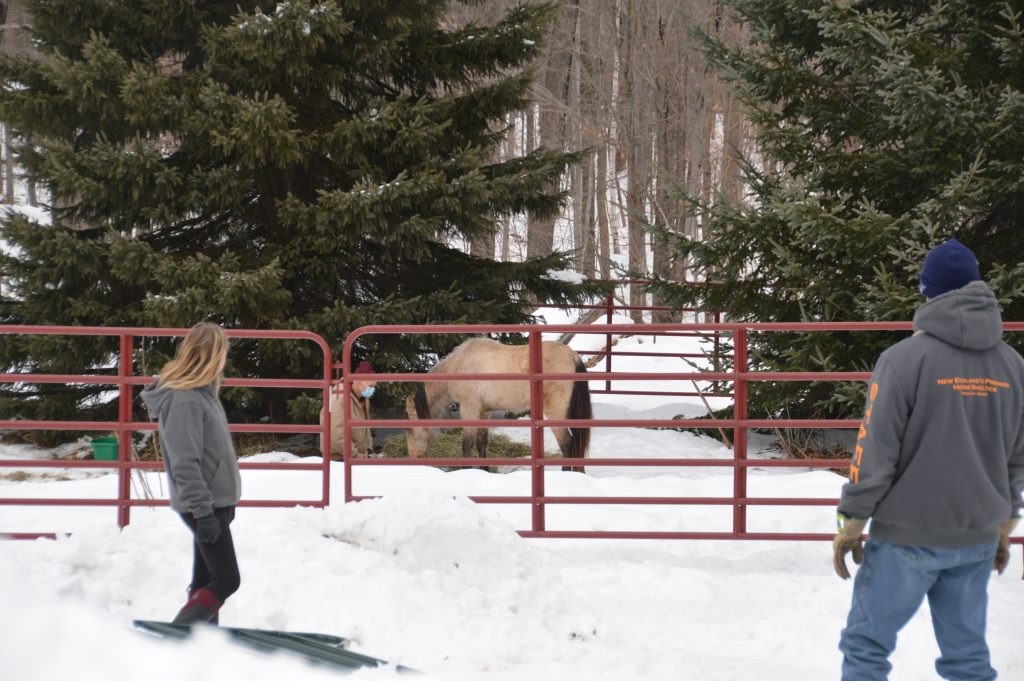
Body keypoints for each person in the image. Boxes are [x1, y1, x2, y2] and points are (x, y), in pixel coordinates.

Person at [833, 238, 1024, 681]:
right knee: (967, 658)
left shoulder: (903, 361)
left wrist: (852, 521)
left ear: (927, 293)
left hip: (907, 534)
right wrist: (1004, 523)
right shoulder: (1013, 366)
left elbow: (875, 449)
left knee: (866, 647)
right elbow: (1017, 456)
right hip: (977, 536)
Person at [141, 322, 241, 625]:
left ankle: (200, 643)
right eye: (223, 353)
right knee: (227, 579)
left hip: (214, 503)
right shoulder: (185, 400)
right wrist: (204, 512)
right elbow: (184, 462)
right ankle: (178, 634)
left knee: (206, 579)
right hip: (204, 505)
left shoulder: (203, 394)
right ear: (212, 355)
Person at [319, 360, 378, 459]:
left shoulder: (363, 399)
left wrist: (368, 450)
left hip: (356, 456)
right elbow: (335, 434)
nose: (372, 389)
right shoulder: (339, 398)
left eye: (374, 386)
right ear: (358, 380)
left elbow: (366, 428)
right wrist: (355, 454)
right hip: (339, 458)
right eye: (370, 386)